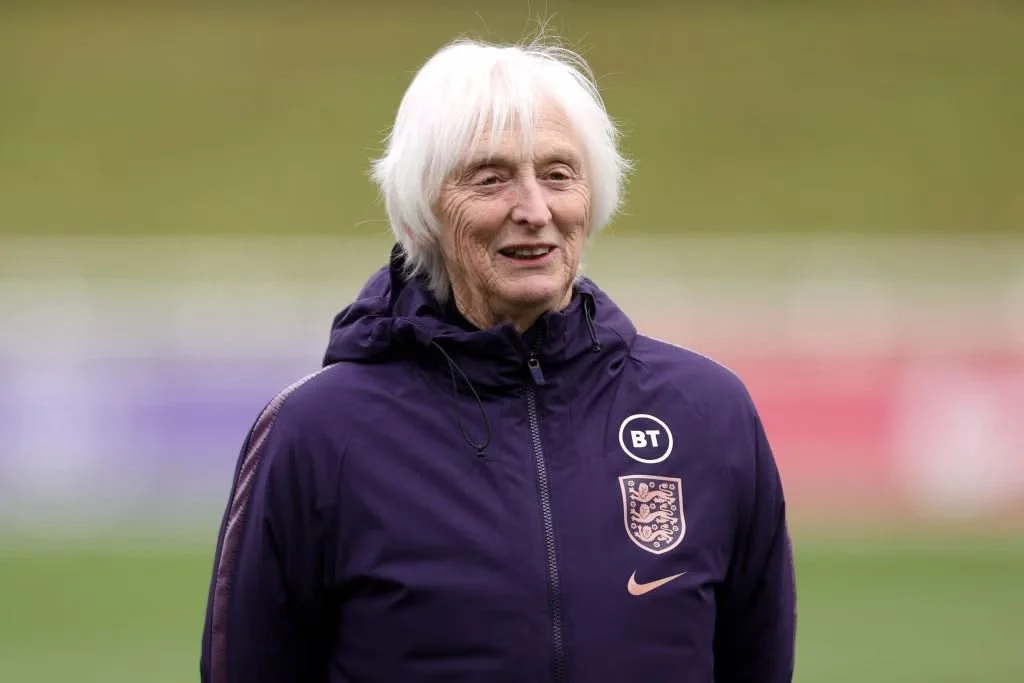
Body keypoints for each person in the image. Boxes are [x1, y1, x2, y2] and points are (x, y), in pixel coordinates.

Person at [200, 35, 796, 683]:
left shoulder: (709, 413)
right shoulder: (315, 433)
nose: (534, 210)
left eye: (559, 175)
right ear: (421, 214)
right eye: (490, 179)